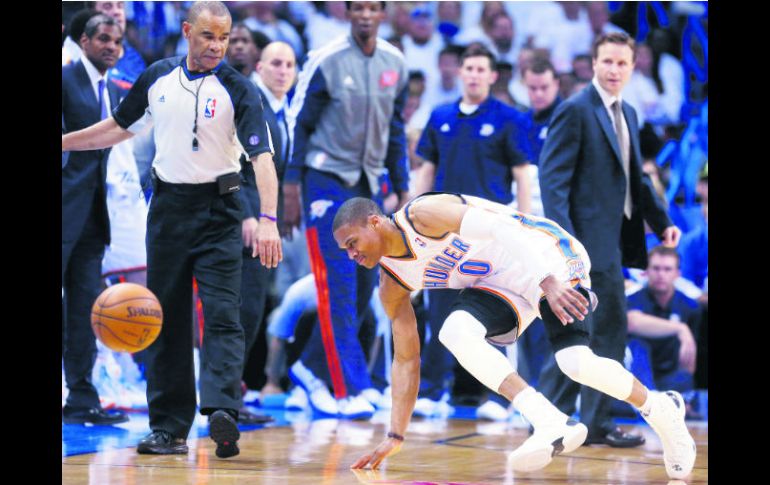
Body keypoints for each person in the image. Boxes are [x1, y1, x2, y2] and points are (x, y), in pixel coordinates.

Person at [336, 194, 695, 479]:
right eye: (345, 251)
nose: (352, 255)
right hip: (498, 285)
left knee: (575, 363)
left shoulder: (423, 214)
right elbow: (405, 359)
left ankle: (660, 408)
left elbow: (505, 229)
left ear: (375, 221)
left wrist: (549, 281)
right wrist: (395, 435)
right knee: (454, 331)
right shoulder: (393, 283)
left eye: (353, 242)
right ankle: (550, 419)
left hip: (544, 254)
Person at [62, 1, 282, 459]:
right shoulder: (158, 76)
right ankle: (168, 429)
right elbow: (117, 128)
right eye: (208, 36)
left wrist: (268, 220)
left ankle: (223, 411)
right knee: (164, 320)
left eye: (224, 38)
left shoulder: (239, 89)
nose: (217, 46)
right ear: (187, 31)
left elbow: (263, 160)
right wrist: (64, 141)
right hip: (167, 210)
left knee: (223, 313)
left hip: (220, 208)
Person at [537, 32, 681, 448]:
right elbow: (553, 183)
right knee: (577, 337)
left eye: (622, 63)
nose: (615, 70)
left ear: (633, 67)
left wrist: (661, 218)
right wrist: (566, 250)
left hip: (612, 246)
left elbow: (635, 178)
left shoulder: (629, 112)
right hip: (581, 249)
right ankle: (548, 419)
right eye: (607, 62)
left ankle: (595, 423)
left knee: (609, 336)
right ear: (594, 63)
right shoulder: (575, 110)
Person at [282, 0, 409, 419]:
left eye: (373, 8)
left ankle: (310, 367)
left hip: (367, 183)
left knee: (360, 287)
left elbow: (395, 128)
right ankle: (346, 388)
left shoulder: (396, 62)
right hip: (325, 179)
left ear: (383, 13)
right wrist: (291, 188)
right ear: (348, 13)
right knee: (337, 280)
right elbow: (299, 124)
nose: (365, 15)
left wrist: (403, 186)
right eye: (358, 8)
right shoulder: (326, 60)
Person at [412, 43, 530, 420]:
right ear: (460, 72)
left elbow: (523, 175)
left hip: (491, 235)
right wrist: (412, 222)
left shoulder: (509, 118)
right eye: (470, 68)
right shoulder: (440, 115)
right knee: (438, 314)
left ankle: (498, 398)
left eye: (482, 69)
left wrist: (524, 227)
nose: (475, 74)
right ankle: (431, 392)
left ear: (493, 76)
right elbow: (425, 171)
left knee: (493, 316)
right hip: (444, 235)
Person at [61, 13, 129, 427]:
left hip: (91, 216)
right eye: (103, 38)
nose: (111, 46)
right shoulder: (67, 76)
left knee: (85, 308)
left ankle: (82, 398)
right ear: (83, 40)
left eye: (117, 41)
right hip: (65, 206)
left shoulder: (112, 89)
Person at [227, 35, 297, 425]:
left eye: (288, 64)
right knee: (241, 310)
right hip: (246, 222)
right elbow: (234, 168)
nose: (282, 70)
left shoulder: (285, 111)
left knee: (254, 310)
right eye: (275, 63)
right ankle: (225, 396)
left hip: (267, 224)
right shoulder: (250, 103)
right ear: (259, 67)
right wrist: (246, 216)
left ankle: (235, 394)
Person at [626, 247, 701, 408]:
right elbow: (632, 322)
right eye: (656, 268)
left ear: (677, 274)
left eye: (667, 269)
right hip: (639, 377)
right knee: (638, 345)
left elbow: (691, 356)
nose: (661, 274)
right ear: (646, 271)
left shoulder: (690, 306)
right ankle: (646, 402)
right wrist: (680, 328)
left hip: (672, 375)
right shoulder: (633, 298)